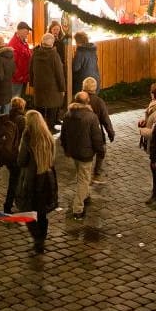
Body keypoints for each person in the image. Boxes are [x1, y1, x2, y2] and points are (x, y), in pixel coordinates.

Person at [17, 110, 58, 255]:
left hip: (32, 179)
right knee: (42, 213)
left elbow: (21, 160)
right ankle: (41, 240)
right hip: (47, 178)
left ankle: (37, 239)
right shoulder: (48, 136)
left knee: (28, 211)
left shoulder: (28, 136)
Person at [60, 91, 105, 220]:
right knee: (83, 180)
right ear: (87, 102)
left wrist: (66, 149)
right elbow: (97, 137)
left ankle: (86, 195)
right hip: (86, 153)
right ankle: (78, 209)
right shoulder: (91, 117)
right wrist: (100, 151)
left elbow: (63, 135)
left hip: (74, 152)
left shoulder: (68, 115)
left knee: (82, 175)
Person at [0, 96, 27, 214]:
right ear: (22, 107)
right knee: (16, 181)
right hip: (16, 156)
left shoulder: (4, 118)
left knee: (14, 179)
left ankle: (11, 203)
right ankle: (10, 205)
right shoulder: (23, 120)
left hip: (6, 155)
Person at [30, 27, 67, 129]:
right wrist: (62, 88)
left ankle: (39, 128)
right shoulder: (54, 55)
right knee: (52, 108)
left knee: (40, 109)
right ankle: (50, 129)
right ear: (52, 44)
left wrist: (32, 83)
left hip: (39, 86)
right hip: (52, 88)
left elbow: (31, 69)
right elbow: (59, 73)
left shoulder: (36, 53)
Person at [81, 77, 115, 180]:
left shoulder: (78, 99)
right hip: (96, 132)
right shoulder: (99, 102)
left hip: (81, 133)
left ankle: (85, 173)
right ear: (94, 88)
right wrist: (111, 133)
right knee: (101, 150)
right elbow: (105, 119)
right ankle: (97, 172)